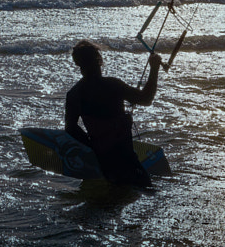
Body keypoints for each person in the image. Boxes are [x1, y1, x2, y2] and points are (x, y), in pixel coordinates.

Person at [65, 40, 161, 187]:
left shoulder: (74, 94)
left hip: (102, 165)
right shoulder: (113, 85)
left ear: (78, 64)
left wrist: (93, 147)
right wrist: (154, 68)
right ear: (99, 60)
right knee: (147, 192)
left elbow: (70, 128)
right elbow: (146, 99)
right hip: (126, 162)